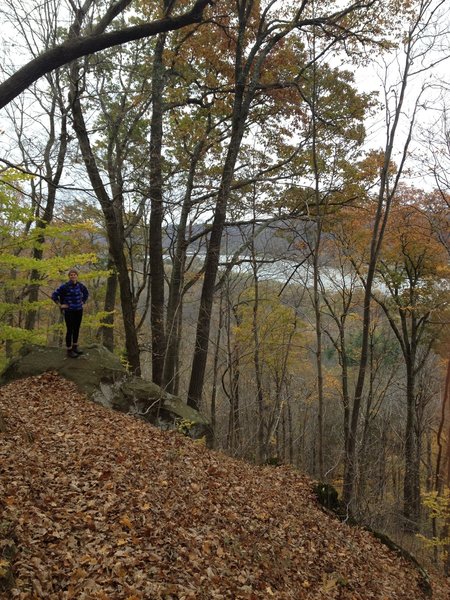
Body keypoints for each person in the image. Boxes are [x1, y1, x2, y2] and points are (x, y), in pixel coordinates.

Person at [52, 269, 89, 358]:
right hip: (69, 311)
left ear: (77, 276)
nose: (73, 276)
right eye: (71, 275)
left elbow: (86, 293)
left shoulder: (80, 285)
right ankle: (69, 350)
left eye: (74, 274)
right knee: (70, 330)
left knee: (76, 328)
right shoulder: (65, 286)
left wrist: (83, 301)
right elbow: (54, 295)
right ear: (69, 276)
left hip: (79, 310)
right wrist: (60, 305)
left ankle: (75, 347)